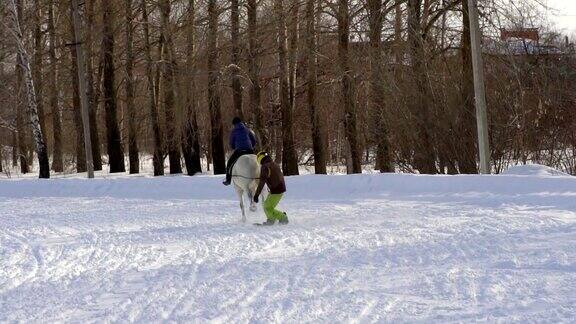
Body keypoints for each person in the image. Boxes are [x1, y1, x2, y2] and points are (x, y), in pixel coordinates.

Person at [254, 151, 289, 225]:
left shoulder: (265, 167)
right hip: (278, 189)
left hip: (276, 190)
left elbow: (261, 182)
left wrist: (256, 195)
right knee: (267, 206)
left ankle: (282, 217)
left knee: (267, 207)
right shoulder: (274, 163)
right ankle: (272, 218)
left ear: (260, 159)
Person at [223, 117, 257, 186]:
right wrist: (251, 147)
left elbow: (231, 143)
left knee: (229, 163)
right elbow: (253, 140)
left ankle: (228, 179)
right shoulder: (247, 130)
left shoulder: (234, 131)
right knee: (258, 162)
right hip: (250, 150)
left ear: (234, 124)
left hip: (239, 151)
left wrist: (234, 147)